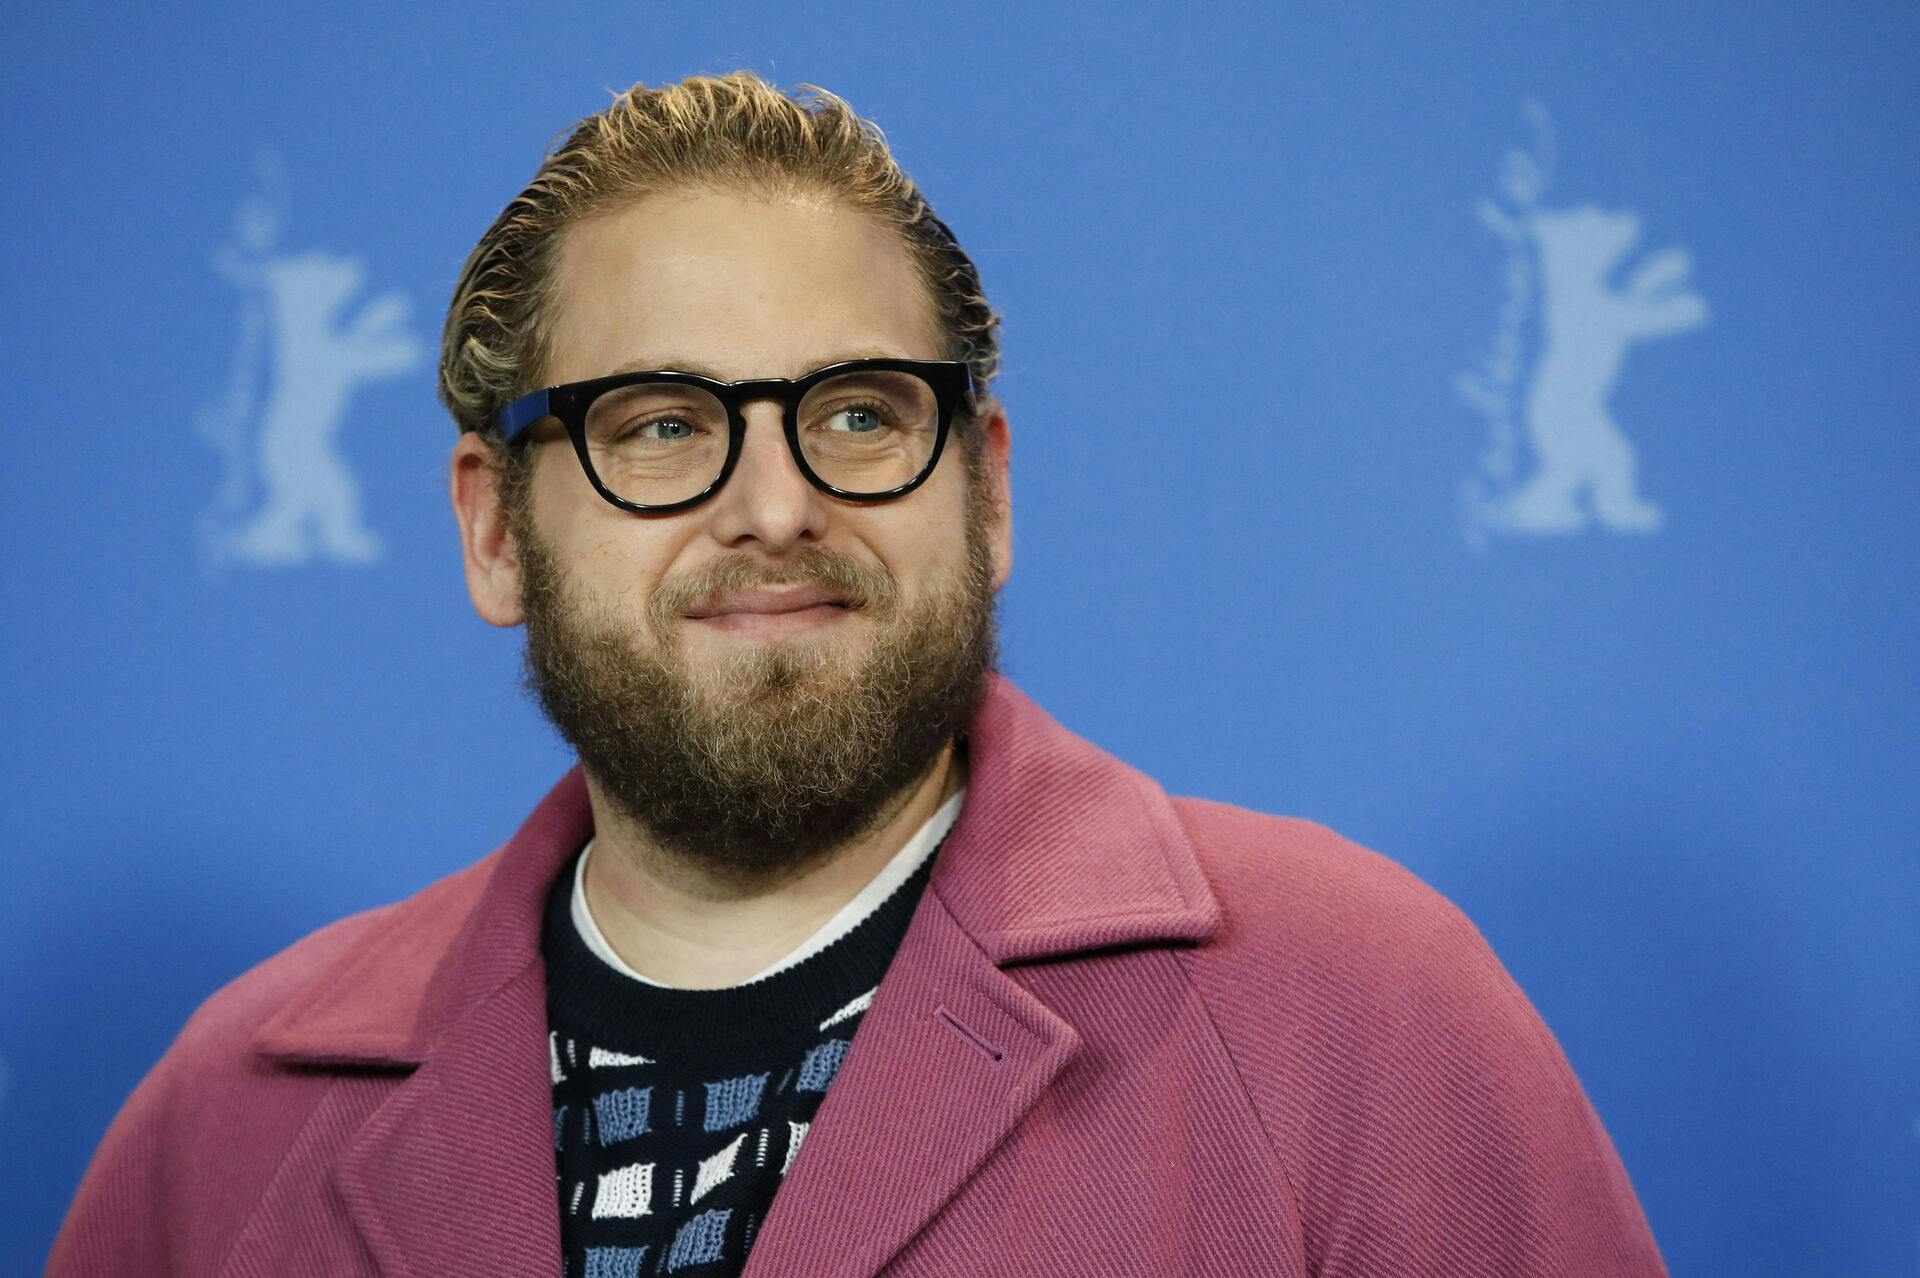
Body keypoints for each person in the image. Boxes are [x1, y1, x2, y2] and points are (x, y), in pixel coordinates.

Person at [49, 72, 1667, 1277]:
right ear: (490, 529)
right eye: (662, 425)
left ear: (990, 489)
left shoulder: (1355, 1014)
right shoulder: (225, 1124)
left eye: (862, 411)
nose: (775, 505)